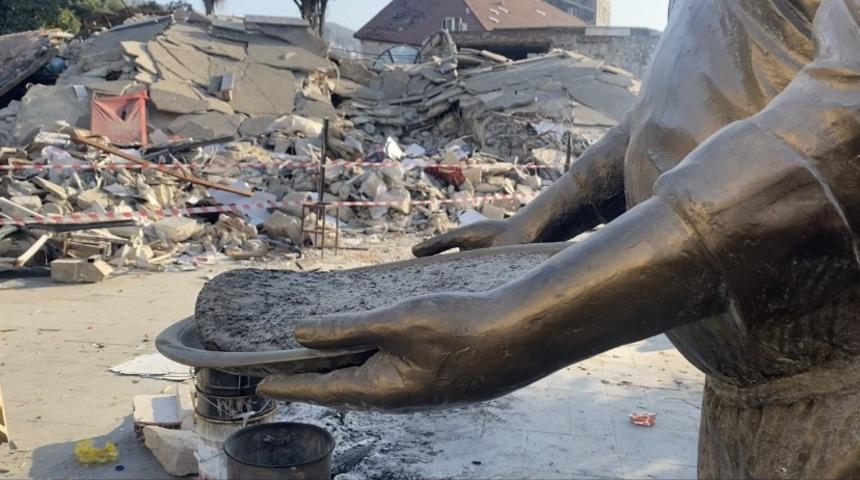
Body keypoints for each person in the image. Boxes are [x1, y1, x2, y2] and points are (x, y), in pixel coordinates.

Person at [259, 0, 860, 477]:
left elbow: (843, 125)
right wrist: (537, 222)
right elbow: (664, 115)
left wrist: (521, 326)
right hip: (746, 397)